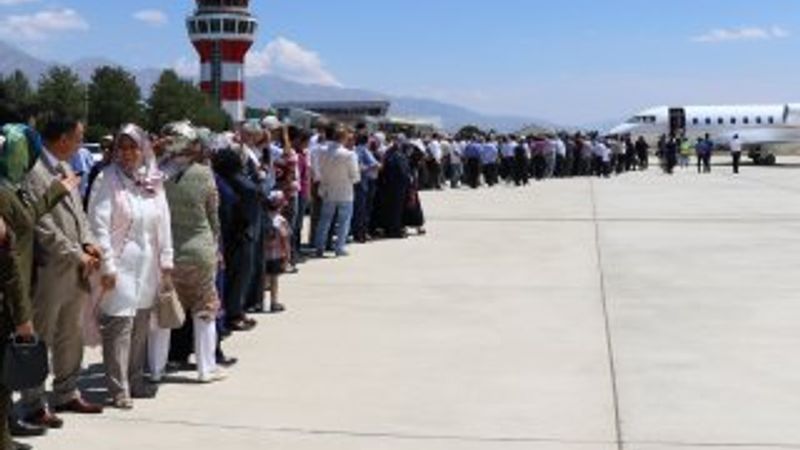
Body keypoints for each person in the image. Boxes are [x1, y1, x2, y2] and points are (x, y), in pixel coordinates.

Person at [22, 118, 105, 428]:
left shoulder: (67, 169)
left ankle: (66, 391)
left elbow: (79, 213)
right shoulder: (35, 173)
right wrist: (75, 254)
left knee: (71, 332)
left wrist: (90, 243)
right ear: (62, 139)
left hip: (77, 268)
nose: (81, 145)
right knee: (40, 336)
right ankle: (33, 401)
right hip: (50, 270)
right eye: (79, 138)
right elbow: (42, 226)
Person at [0, 124, 79, 449]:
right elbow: (10, 261)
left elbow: (25, 217)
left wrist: (56, 191)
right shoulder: (3, 192)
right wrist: (22, 315)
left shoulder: (7, 187)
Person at [87, 124, 174, 408]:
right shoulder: (106, 179)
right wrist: (107, 266)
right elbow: (98, 226)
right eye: (121, 148)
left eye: (132, 147)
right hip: (120, 263)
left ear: (143, 149)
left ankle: (135, 378)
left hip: (148, 264)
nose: (126, 153)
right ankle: (118, 386)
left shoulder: (153, 181)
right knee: (119, 325)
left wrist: (167, 260)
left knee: (140, 326)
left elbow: (164, 222)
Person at [163, 130, 226, 384]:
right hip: (200, 249)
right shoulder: (204, 174)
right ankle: (205, 367)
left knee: (165, 312)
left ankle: (156, 367)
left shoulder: (159, 174)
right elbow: (213, 217)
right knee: (205, 311)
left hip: (168, 250)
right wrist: (216, 246)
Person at [314, 125, 360, 257]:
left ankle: (319, 246)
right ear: (343, 138)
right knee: (344, 221)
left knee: (325, 219)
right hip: (345, 191)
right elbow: (355, 176)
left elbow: (318, 170)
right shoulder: (349, 154)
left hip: (328, 189)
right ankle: (339, 247)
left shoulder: (321, 151)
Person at [263, 191, 291, 313]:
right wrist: (287, 256)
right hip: (276, 255)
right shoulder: (281, 221)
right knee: (274, 279)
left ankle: (260, 302)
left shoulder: (263, 218)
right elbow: (285, 239)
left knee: (263, 279)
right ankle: (273, 302)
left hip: (263, 255)